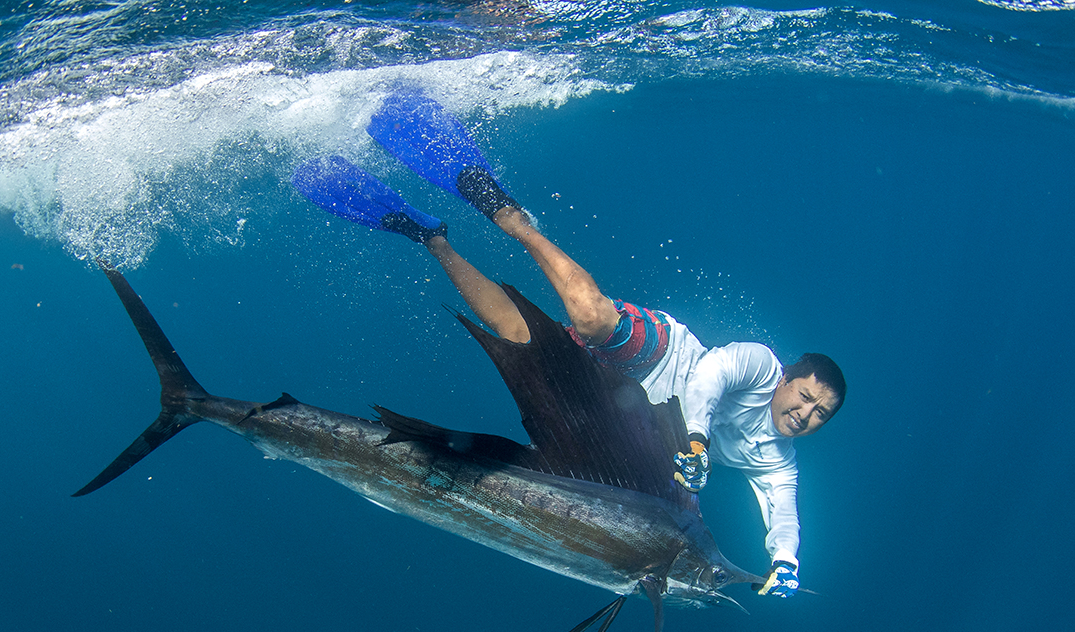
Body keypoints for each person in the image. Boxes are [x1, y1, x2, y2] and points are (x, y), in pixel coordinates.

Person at [293, 93, 846, 598]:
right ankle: (511, 219)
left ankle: (430, 236)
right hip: (660, 357)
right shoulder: (758, 364)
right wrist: (697, 440)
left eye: (820, 414)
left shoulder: (778, 460)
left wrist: (787, 559)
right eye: (805, 396)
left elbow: (784, 513)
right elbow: (708, 380)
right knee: (592, 317)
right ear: (788, 375)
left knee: (519, 337)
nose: (805, 412)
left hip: (623, 415)